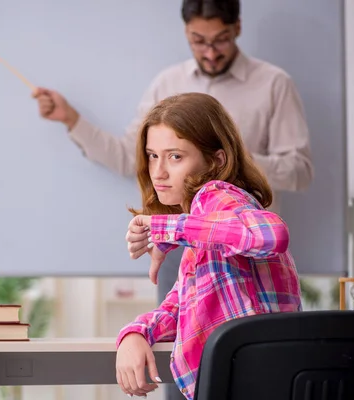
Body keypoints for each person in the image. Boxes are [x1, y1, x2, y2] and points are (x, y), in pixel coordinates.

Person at [32, 0, 313, 321]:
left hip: (246, 250)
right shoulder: (167, 83)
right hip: (177, 242)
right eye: (198, 41)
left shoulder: (273, 84)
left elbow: (300, 171)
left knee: (239, 351)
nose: (209, 52)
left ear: (237, 28)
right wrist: (71, 120)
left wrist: (229, 155)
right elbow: (130, 156)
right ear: (186, 33)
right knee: (177, 340)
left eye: (220, 39)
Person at [115, 92, 302, 400]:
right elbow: (178, 308)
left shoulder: (217, 194)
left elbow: (272, 233)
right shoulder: (209, 234)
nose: (158, 172)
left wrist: (166, 228)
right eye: (152, 156)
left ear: (216, 160)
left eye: (175, 156)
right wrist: (136, 332)